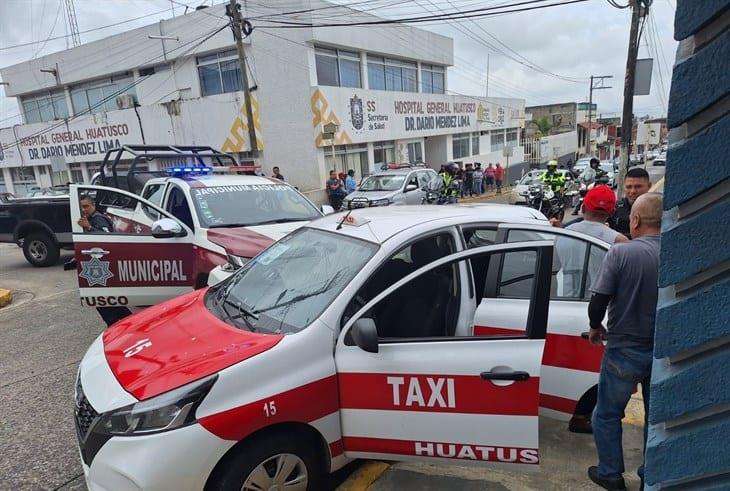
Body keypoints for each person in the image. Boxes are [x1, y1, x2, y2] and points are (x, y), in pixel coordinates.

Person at [587, 193, 662, 491]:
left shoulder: (621, 254)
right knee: (655, 420)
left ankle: (610, 474)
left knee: (606, 413)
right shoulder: (676, 253)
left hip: (623, 350)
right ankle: (650, 477)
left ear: (636, 220)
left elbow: (597, 304)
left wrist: (595, 327)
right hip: (664, 353)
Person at [557, 185, 627, 434]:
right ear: (611, 211)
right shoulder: (619, 241)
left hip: (565, 302)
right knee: (599, 369)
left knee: (571, 363)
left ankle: (572, 410)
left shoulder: (564, 233)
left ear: (583, 206)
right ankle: (584, 414)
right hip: (602, 310)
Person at [78, 195, 131, 327]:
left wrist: (89, 228)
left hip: (104, 267)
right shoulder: (89, 219)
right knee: (109, 302)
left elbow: (106, 239)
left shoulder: (98, 219)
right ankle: (130, 325)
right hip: (99, 266)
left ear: (93, 205)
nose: (84, 209)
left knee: (104, 302)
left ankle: (117, 328)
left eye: (86, 206)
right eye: (81, 207)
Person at [607, 167, 651, 238]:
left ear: (649, 186)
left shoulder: (657, 210)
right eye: (628, 187)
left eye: (638, 187)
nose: (632, 191)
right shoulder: (614, 209)